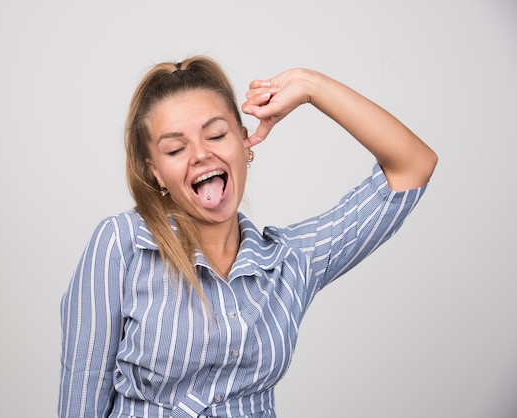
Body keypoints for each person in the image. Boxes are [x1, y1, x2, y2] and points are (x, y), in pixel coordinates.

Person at [58, 56, 437, 418]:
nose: (201, 154)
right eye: (175, 148)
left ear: (243, 142)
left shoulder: (291, 263)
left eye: (217, 135)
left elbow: (412, 165)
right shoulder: (122, 243)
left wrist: (310, 86)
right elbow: (83, 393)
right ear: (155, 171)